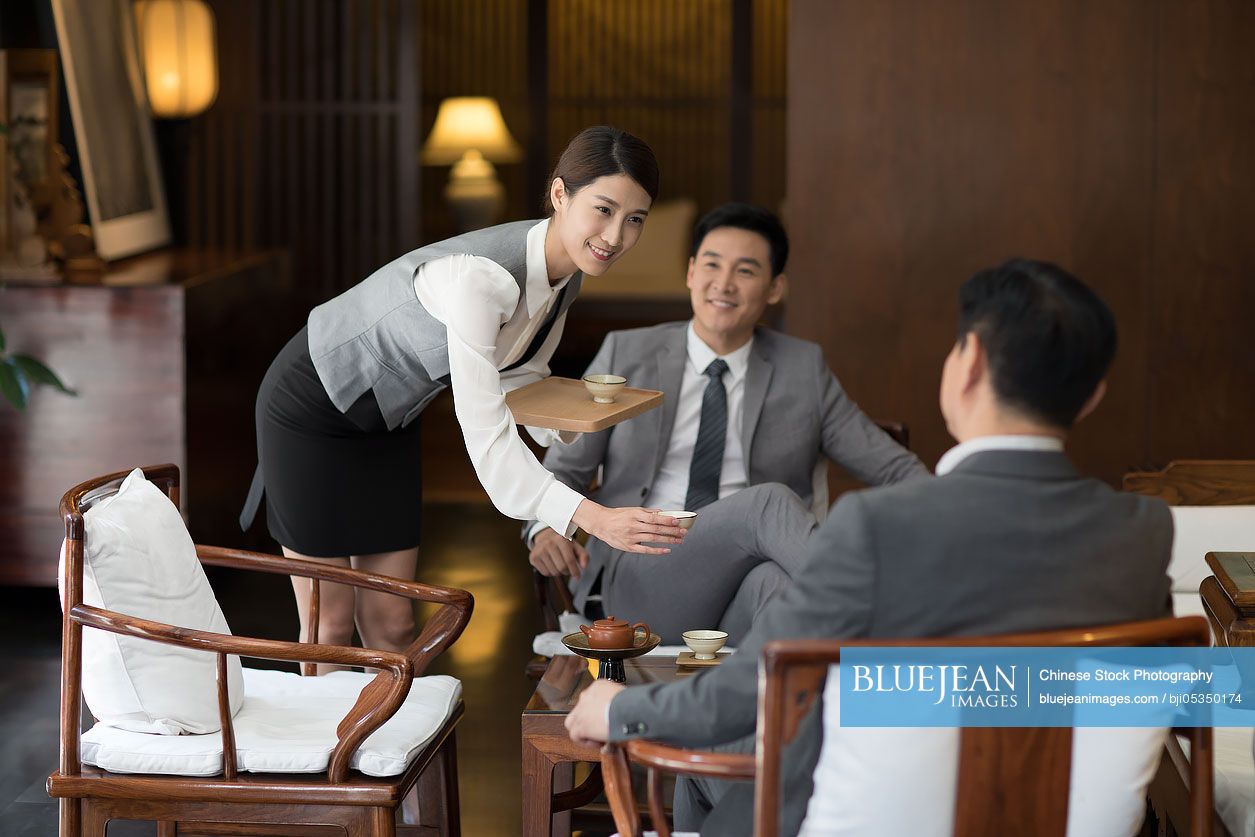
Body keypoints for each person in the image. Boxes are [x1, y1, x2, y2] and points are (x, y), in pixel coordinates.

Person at [564, 259, 1174, 836]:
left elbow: (750, 691)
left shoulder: (876, 527)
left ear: (968, 366)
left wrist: (616, 709)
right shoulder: (1143, 531)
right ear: (1093, 395)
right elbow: (1168, 699)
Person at [240, 126, 687, 670]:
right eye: (604, 209)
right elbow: (486, 434)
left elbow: (518, 373)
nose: (615, 236)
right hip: (310, 408)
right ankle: (332, 756)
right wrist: (590, 516)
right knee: (329, 622)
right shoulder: (482, 280)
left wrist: (585, 414)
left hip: (388, 421)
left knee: (395, 622)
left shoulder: (565, 275)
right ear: (559, 195)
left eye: (635, 218)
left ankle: (388, 753)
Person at [524, 203, 927, 642]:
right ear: (692, 272)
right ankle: (882, 613)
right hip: (642, 577)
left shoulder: (802, 370)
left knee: (777, 584)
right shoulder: (628, 352)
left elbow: (895, 470)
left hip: (744, 595)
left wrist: (955, 524)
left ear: (775, 288)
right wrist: (545, 529)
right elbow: (566, 468)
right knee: (769, 503)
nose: (724, 284)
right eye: (712, 265)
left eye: (746, 271)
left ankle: (752, 707)